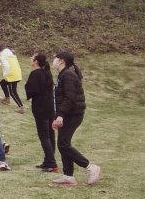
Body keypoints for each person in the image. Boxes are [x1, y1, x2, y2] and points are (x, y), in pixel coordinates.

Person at [51, 51, 101, 187]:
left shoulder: (68, 75)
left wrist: (61, 115)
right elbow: (60, 99)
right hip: (67, 114)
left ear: (62, 60)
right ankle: (68, 176)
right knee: (63, 144)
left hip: (73, 114)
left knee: (63, 144)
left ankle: (90, 167)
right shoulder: (63, 75)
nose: (54, 60)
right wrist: (57, 117)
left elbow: (70, 97)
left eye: (56, 58)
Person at [25, 53, 58, 172]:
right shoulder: (47, 73)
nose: (31, 59)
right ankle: (48, 160)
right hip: (50, 108)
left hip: (40, 108)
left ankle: (51, 163)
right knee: (50, 134)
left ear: (36, 62)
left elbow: (31, 90)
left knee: (44, 136)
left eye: (32, 58)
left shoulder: (35, 73)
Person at [0, 44, 25, 113]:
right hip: (16, 73)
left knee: (13, 92)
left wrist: (5, 75)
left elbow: (6, 66)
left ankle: (21, 108)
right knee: (3, 83)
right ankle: (7, 99)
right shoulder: (9, 53)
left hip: (12, 75)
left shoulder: (3, 55)